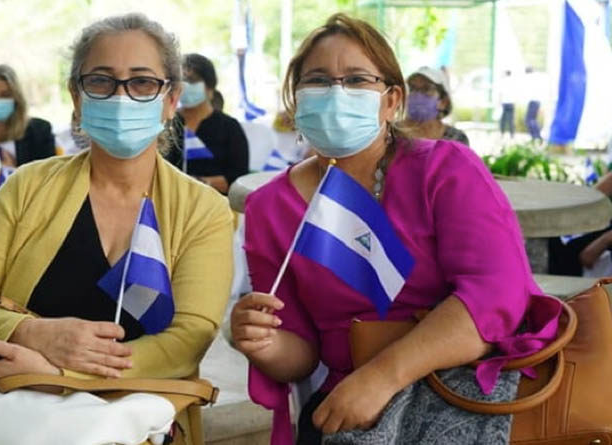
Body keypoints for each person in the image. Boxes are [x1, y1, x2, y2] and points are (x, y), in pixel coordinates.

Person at [230, 13, 559, 444]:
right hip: (349, 401)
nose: (336, 93)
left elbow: (496, 294)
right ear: (296, 101)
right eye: (318, 80)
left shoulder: (446, 170)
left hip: (473, 380)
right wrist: (263, 344)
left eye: (355, 80)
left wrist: (381, 378)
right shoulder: (270, 206)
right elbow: (301, 353)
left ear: (390, 101)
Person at [0, 13, 233, 444]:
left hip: (135, 422)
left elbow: (188, 339)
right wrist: (35, 333)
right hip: (15, 418)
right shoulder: (28, 187)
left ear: (171, 100)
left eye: (143, 82)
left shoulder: (203, 209)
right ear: (77, 96)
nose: (122, 96)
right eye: (101, 81)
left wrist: (60, 372)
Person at [0, 64, 55, 181]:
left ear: (16, 98)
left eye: (5, 95)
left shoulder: (39, 131)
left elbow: (48, 179)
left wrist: (13, 171)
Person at [177, 53, 249, 194]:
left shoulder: (229, 127)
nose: (185, 86)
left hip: (215, 208)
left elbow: (239, 179)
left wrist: (199, 183)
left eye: (191, 80)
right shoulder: (166, 124)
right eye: (180, 80)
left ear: (209, 87)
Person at [402, 66, 469, 146]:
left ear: (443, 102)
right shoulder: (392, 135)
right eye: (412, 88)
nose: (417, 95)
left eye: (426, 89)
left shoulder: (455, 138)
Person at [523, 67, 543, 144]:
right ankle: (536, 136)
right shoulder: (537, 78)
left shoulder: (529, 79)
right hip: (537, 101)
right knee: (532, 120)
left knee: (529, 120)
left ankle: (536, 136)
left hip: (533, 101)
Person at [498, 69, 515, 139]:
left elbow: (500, 94)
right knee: (510, 120)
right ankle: (512, 134)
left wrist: (499, 102)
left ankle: (502, 134)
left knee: (503, 120)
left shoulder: (503, 82)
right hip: (511, 103)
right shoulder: (513, 82)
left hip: (504, 103)